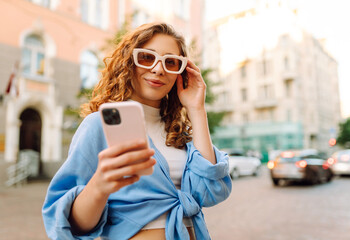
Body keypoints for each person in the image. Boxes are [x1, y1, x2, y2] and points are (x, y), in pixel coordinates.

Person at [42, 22, 232, 240]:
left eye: (171, 62)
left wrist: (197, 108)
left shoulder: (181, 133)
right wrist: (99, 186)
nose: (159, 69)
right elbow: (71, 225)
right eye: (146, 57)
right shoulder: (99, 125)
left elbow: (210, 193)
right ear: (127, 62)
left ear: (181, 72)